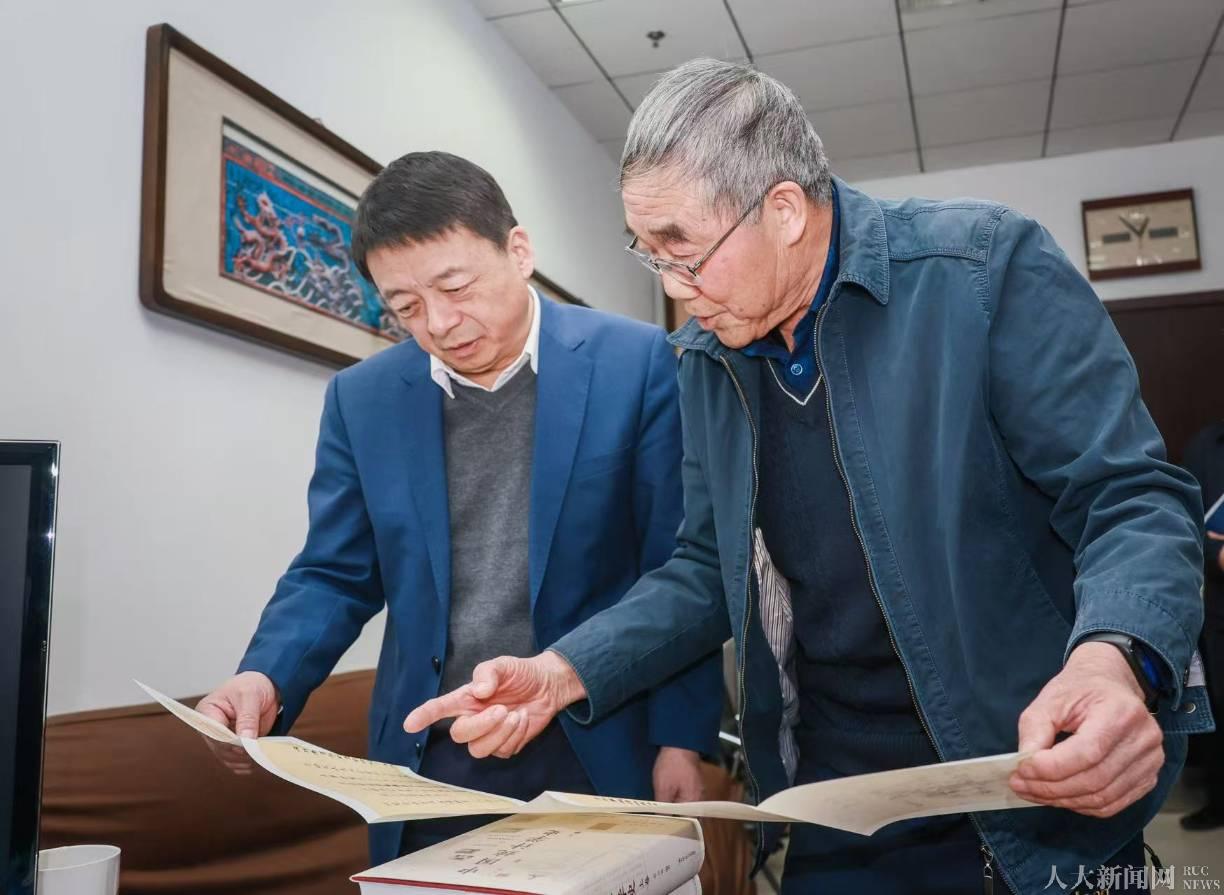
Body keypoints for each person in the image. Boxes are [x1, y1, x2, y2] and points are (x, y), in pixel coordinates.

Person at [403, 61, 1213, 894]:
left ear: (785, 210)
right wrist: (563, 669)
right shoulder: (709, 358)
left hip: (1022, 774)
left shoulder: (980, 271)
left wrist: (1114, 661)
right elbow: (704, 569)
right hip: (838, 799)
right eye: (650, 254)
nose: (673, 289)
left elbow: (1131, 497)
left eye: (685, 252)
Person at [196, 151, 722, 864]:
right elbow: (335, 573)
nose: (440, 323)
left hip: (596, 738)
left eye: (455, 286)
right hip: (432, 756)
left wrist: (681, 738)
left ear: (518, 251)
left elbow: (680, 566)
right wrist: (266, 674)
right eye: (406, 307)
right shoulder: (362, 399)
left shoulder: (637, 362)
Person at [1182, 421, 1224, 831]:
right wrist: (1216, 552)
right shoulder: (1205, 446)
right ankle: (1219, 801)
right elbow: (1186, 522)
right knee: (1219, 702)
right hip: (1218, 605)